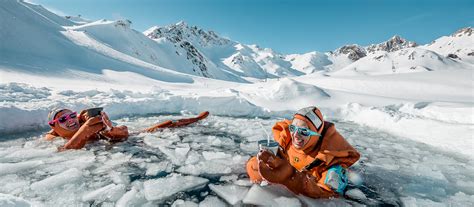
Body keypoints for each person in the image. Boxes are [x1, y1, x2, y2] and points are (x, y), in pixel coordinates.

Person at [246, 106, 360, 198]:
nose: (295, 135)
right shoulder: (285, 142)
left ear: (317, 134)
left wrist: (290, 177)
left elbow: (326, 197)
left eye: (304, 131)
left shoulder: (330, 161)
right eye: (293, 128)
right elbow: (253, 166)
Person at [45, 107, 209, 150]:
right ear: (54, 125)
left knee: (167, 124)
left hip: (120, 142)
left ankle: (196, 119)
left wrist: (111, 129)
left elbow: (121, 132)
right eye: (63, 119)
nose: (71, 120)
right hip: (108, 159)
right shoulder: (53, 137)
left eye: (72, 115)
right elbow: (61, 152)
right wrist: (83, 133)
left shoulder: (88, 123)